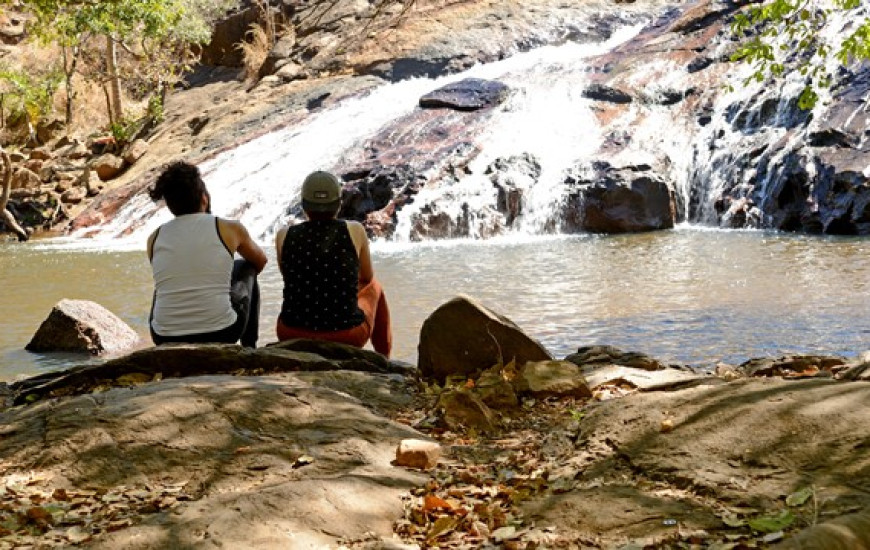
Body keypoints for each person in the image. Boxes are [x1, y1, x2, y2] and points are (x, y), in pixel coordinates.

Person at [147, 161, 268, 348]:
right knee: (245, 265)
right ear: (204, 199)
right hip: (223, 331)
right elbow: (260, 261)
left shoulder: (154, 238)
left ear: (169, 204)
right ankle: (249, 349)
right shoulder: (229, 228)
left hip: (163, 335)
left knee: (167, 280)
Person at [274, 170, 392, 357]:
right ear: (338, 204)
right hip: (346, 335)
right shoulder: (354, 229)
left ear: (304, 205)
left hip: (290, 332)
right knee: (374, 286)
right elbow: (366, 277)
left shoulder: (284, 234)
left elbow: (288, 275)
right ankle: (384, 360)